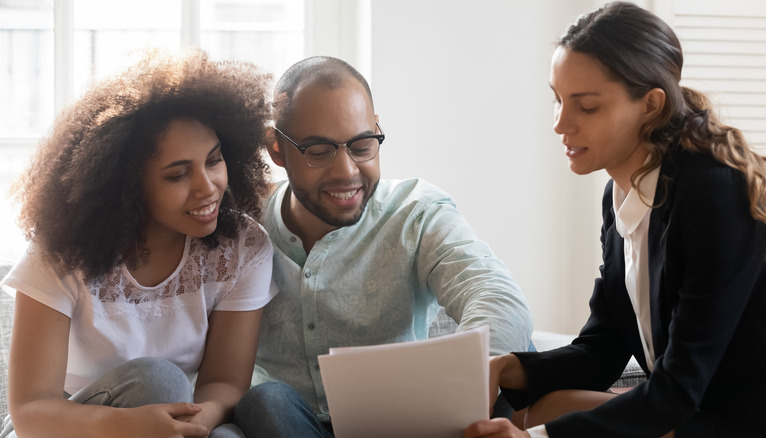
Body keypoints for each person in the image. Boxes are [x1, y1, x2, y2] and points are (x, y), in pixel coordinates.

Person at [465, 2, 766, 437]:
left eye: (587, 107)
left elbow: (680, 388)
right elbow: (602, 349)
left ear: (650, 105)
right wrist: (507, 368)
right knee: (547, 405)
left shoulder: (713, 193)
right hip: (685, 411)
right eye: (557, 99)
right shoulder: (621, 193)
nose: (561, 124)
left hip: (738, 422)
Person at [229, 56, 533, 436]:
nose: (346, 171)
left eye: (362, 145)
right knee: (266, 399)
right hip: (290, 423)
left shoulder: (415, 213)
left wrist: (468, 377)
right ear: (277, 148)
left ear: (377, 130)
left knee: (522, 352)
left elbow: (496, 295)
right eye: (319, 151)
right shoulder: (240, 229)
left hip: (402, 423)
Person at [0, 49, 278, 438]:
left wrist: (202, 418)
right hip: (65, 427)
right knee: (158, 381)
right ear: (127, 186)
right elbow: (31, 412)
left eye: (213, 160)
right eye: (178, 175)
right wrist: (128, 425)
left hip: (172, 419)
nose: (207, 186)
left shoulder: (242, 248)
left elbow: (225, 384)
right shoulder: (63, 252)